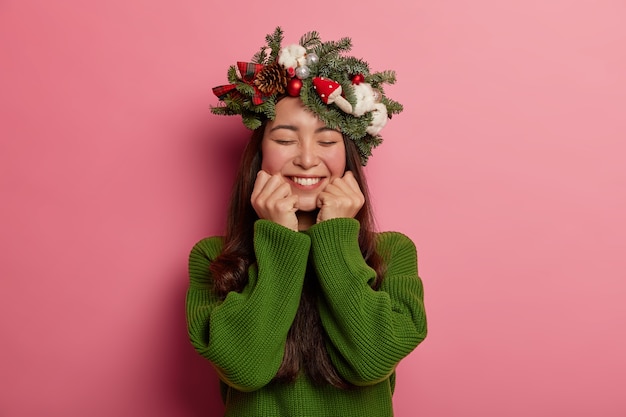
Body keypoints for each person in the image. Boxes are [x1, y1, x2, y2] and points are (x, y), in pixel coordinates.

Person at [186, 27, 427, 417]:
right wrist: (280, 239)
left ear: (350, 157)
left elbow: (370, 362)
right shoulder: (212, 257)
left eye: (328, 141)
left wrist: (334, 238)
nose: (307, 159)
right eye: (284, 140)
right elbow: (245, 369)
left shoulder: (392, 252)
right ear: (258, 155)